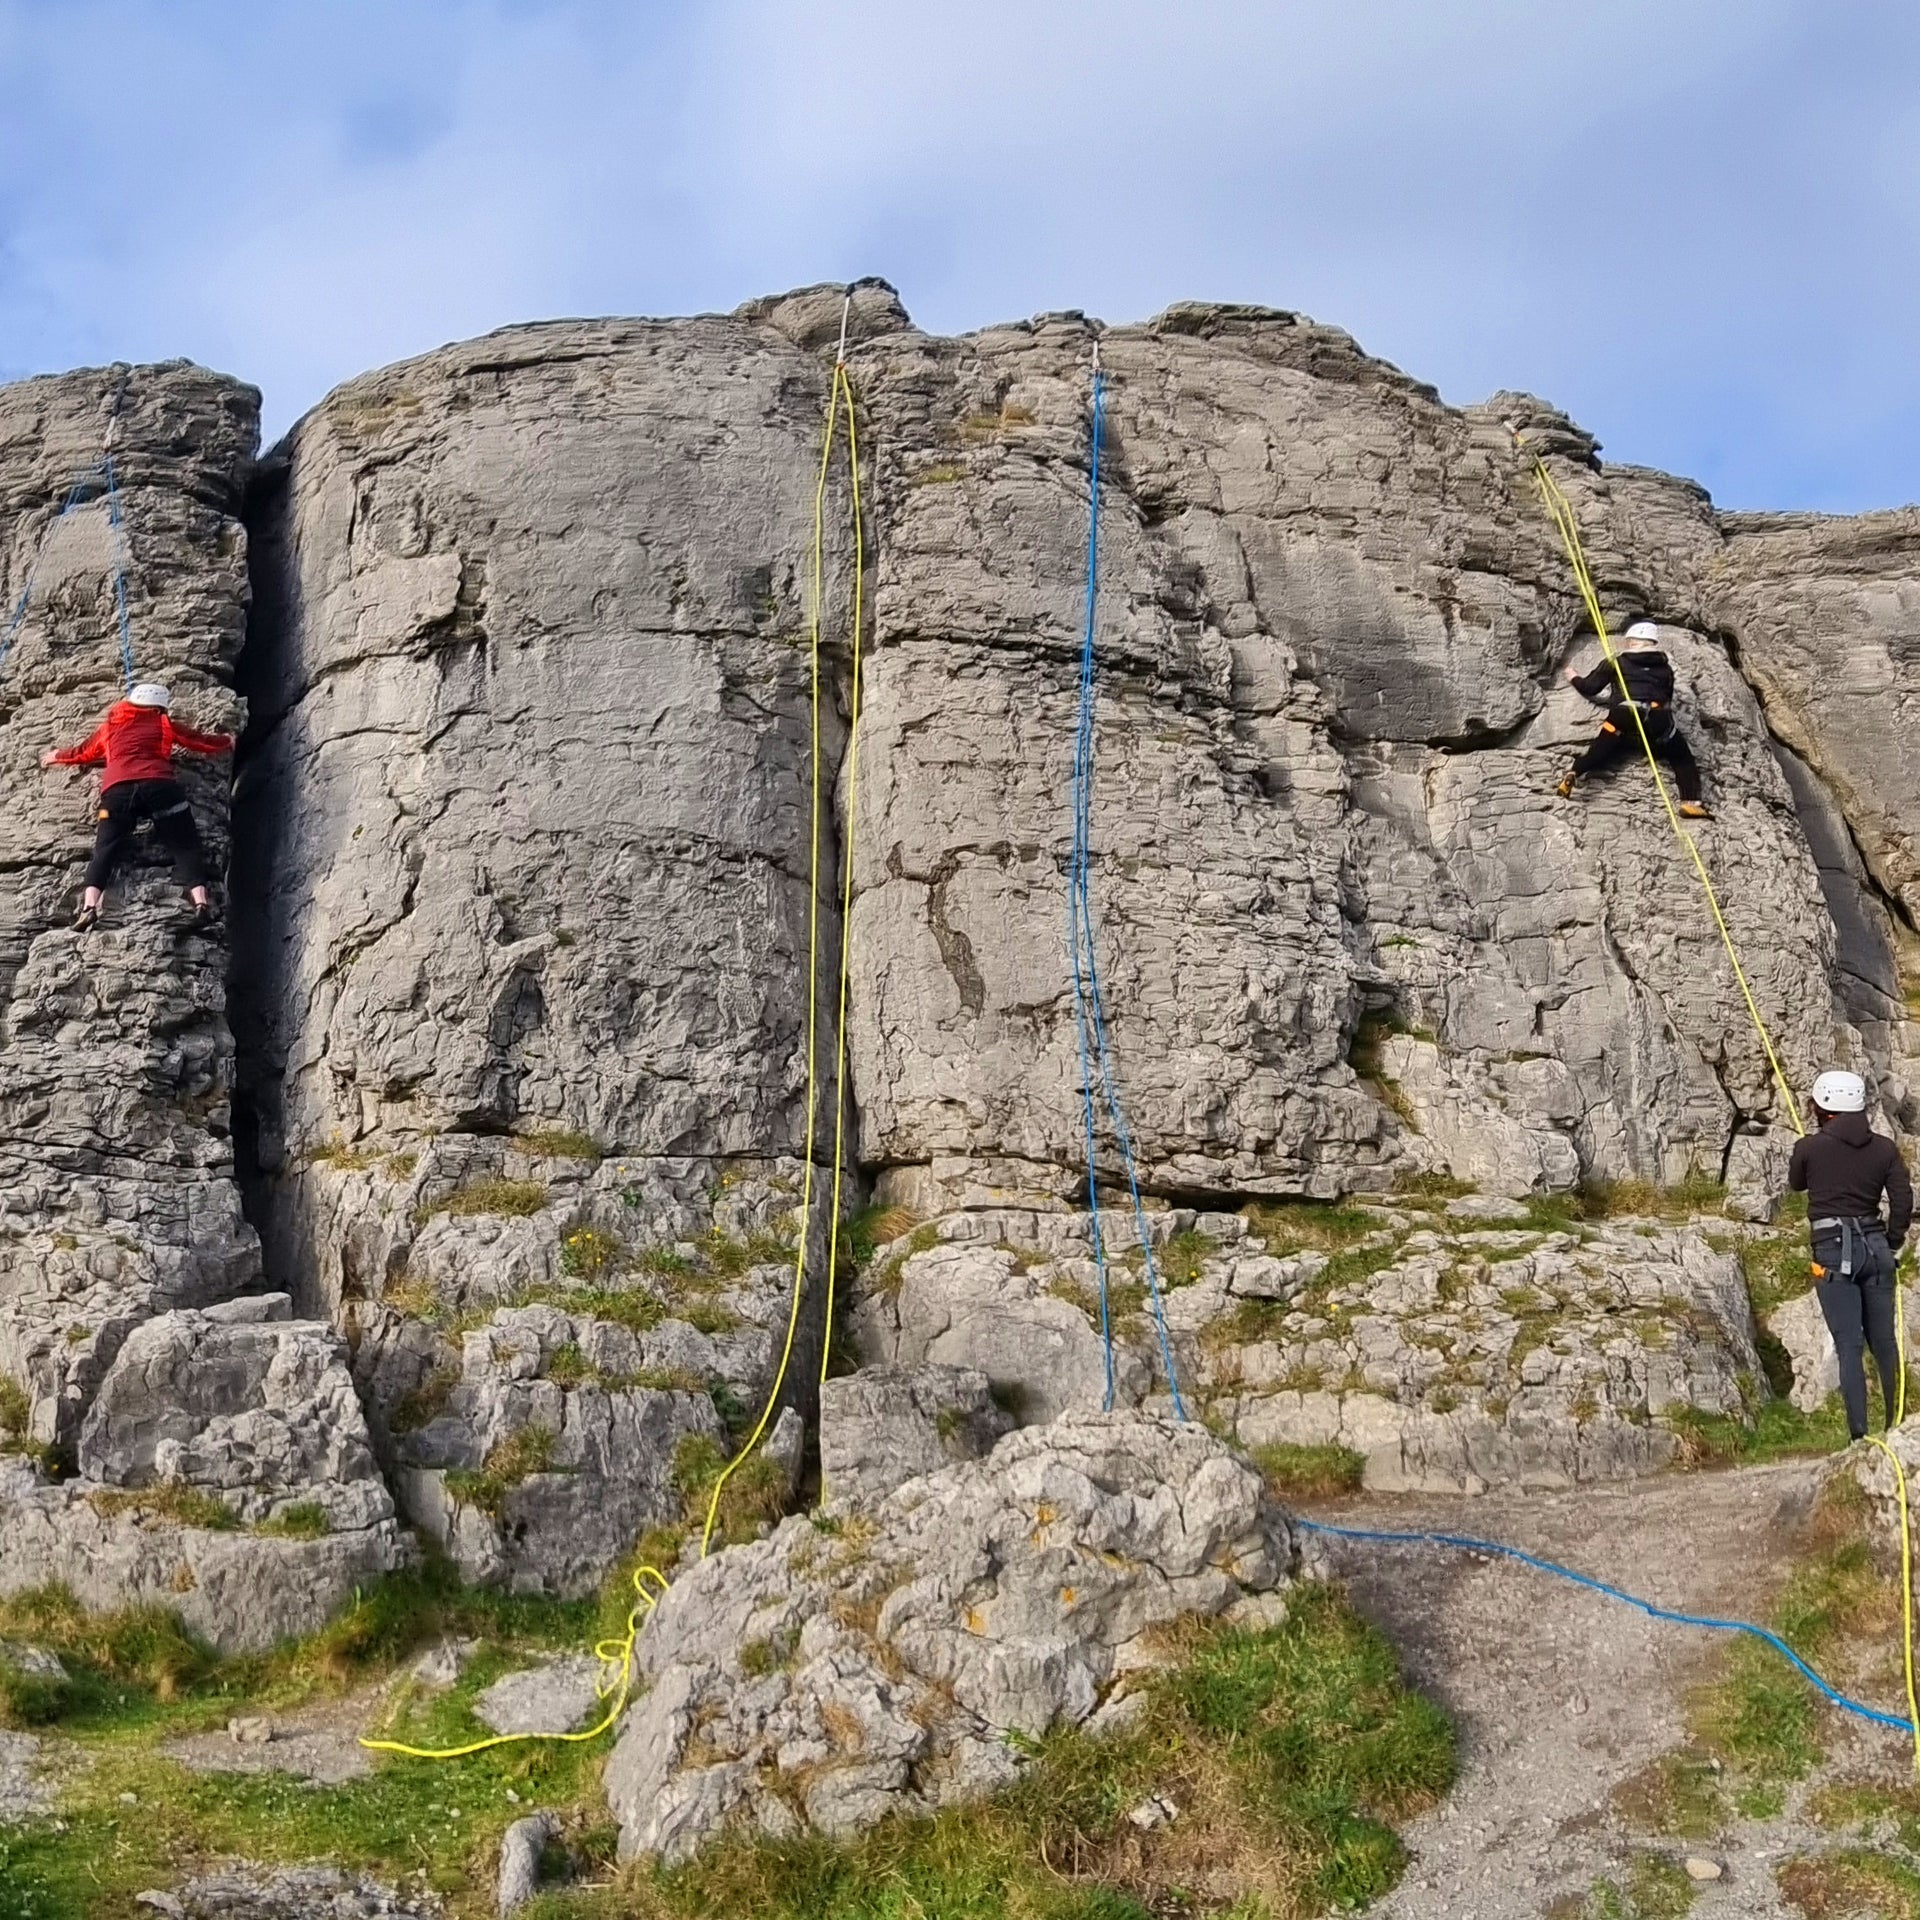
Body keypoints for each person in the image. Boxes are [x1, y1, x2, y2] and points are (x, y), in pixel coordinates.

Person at [40, 683, 233, 933]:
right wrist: (226, 741)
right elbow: (196, 740)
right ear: (159, 707)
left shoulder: (110, 726)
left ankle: (89, 908)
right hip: (159, 787)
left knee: (105, 848)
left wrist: (57, 755)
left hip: (116, 794)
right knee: (184, 844)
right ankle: (200, 904)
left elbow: (83, 752)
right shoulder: (162, 722)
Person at [1788, 1069, 1914, 1442]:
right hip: (1876, 1248)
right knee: (1885, 1343)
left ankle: (1860, 1437)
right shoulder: (1884, 1148)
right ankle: (1897, 1429)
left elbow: (1797, 1184)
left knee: (1849, 1346)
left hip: (1832, 1251)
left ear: (1823, 1107)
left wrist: (1808, 1152)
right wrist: (1892, 1242)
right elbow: (1903, 1200)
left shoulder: (1809, 1148)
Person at [1556, 620, 1711, 819]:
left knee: (1603, 748)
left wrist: (1572, 676)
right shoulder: (1665, 669)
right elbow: (1668, 699)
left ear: (1632, 642)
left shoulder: (1616, 662)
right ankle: (1691, 803)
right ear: (1652, 643)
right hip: (1657, 716)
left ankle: (1574, 772)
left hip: (1623, 715)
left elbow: (1590, 687)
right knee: (1682, 757)